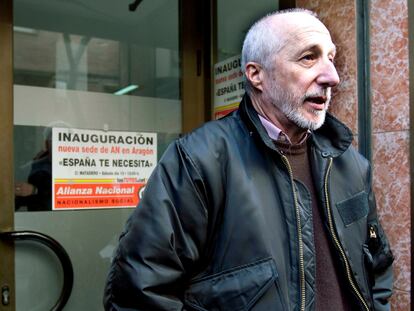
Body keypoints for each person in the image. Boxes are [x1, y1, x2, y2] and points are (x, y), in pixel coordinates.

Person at [104, 9, 394, 311]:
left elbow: (378, 266)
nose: (331, 77)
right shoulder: (198, 161)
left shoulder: (349, 163)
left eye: (331, 58)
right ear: (257, 75)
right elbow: (139, 294)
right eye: (309, 57)